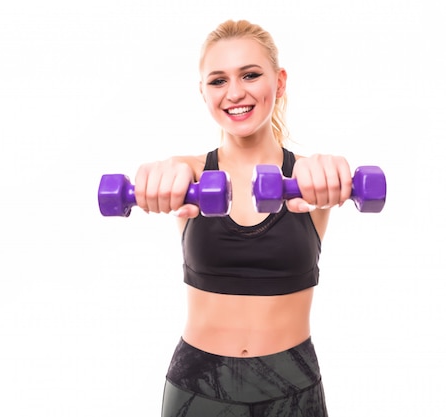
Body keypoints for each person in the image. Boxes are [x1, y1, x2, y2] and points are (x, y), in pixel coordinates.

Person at [134, 19, 352, 417]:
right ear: (203, 92)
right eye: (218, 81)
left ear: (279, 82)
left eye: (250, 75)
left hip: (293, 386)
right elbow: (170, 169)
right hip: (198, 384)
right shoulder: (190, 176)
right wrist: (159, 177)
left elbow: (328, 170)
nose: (235, 93)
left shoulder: (310, 180)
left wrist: (332, 167)